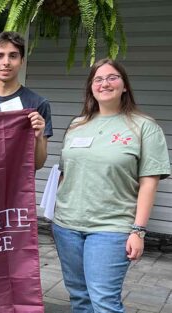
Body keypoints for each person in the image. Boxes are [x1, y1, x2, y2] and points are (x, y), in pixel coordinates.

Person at [53, 58, 170, 313]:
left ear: (125, 85)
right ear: (91, 88)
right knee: (79, 299)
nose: (104, 83)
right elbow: (64, 173)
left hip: (111, 228)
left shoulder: (144, 127)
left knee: (104, 302)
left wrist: (138, 231)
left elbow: (149, 182)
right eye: (98, 79)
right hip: (67, 226)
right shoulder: (77, 125)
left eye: (112, 77)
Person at [0, 31, 53, 170]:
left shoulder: (37, 104)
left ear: (22, 62)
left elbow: (38, 164)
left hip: (18, 189)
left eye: (13, 56)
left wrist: (38, 137)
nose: (6, 62)